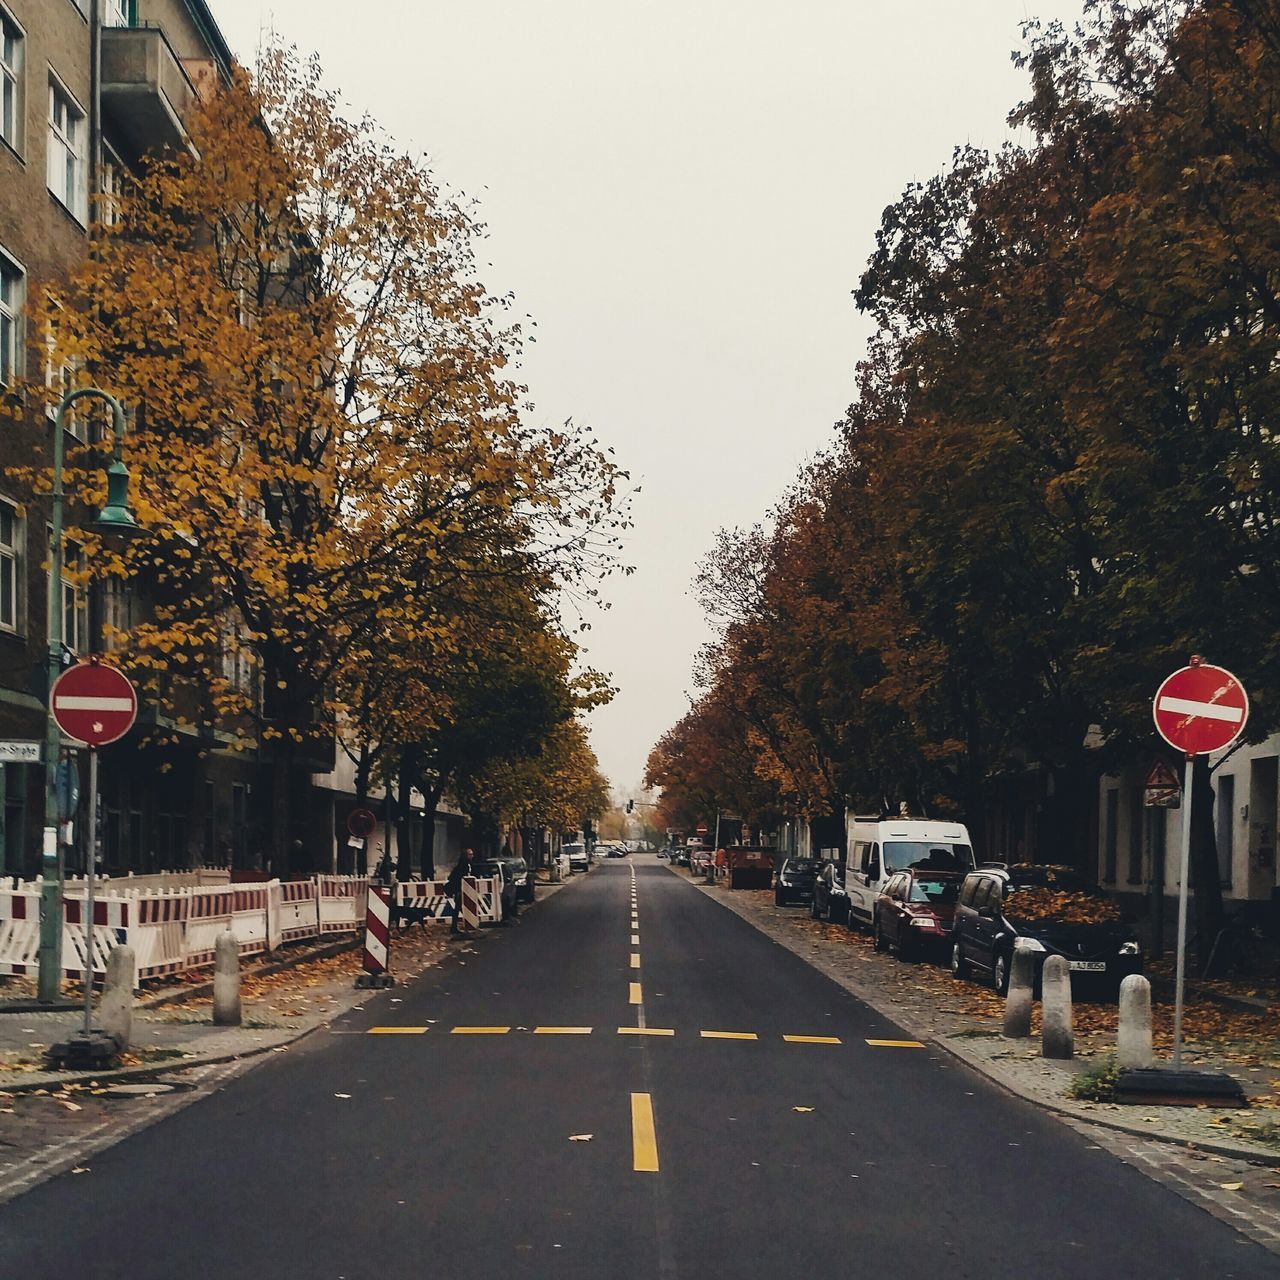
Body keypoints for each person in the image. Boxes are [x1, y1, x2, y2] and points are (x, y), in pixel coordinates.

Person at [446, 847, 478, 936]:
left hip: (465, 890)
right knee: (459, 908)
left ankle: (461, 925)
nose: (472, 856)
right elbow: (456, 877)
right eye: (470, 854)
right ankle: (463, 925)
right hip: (460, 890)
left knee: (460, 908)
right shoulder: (463, 865)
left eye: (472, 854)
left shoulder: (469, 864)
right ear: (466, 855)